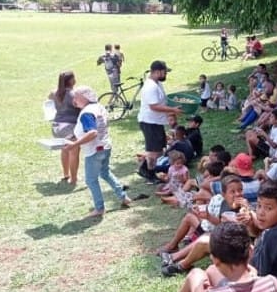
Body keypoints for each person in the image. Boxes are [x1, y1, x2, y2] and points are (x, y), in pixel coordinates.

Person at [63, 86, 131, 217]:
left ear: (84, 97)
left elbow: (92, 132)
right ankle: (123, 196)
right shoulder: (99, 107)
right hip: (105, 146)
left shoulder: (86, 113)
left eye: (76, 97)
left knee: (91, 180)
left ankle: (99, 208)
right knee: (105, 173)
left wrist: (75, 144)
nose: (74, 100)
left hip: (94, 150)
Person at [137, 60, 183, 183]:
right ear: (157, 72)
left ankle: (145, 168)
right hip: (149, 122)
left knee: (159, 150)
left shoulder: (157, 83)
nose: (166, 75)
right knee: (154, 151)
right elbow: (154, 106)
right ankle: (149, 173)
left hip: (156, 122)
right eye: (164, 72)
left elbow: (162, 102)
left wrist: (172, 107)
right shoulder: (150, 87)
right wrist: (172, 110)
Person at [48, 70, 79, 185]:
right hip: (69, 127)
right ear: (70, 80)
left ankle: (66, 174)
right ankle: (74, 179)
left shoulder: (54, 93)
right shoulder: (74, 95)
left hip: (57, 126)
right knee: (74, 152)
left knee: (64, 150)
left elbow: (49, 98)